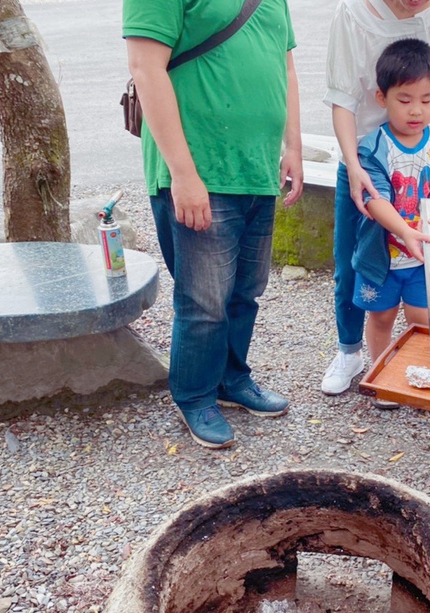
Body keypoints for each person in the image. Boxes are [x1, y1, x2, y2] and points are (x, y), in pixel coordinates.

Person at [124, 0, 304, 449]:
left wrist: (294, 147)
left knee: (246, 291)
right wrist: (184, 175)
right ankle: (194, 394)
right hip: (200, 168)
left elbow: (285, 65)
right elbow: (146, 69)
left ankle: (231, 380)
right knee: (205, 300)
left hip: (255, 168)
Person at [320, 0, 430, 396]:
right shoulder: (352, 13)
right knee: (353, 262)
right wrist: (353, 164)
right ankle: (351, 353)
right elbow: (342, 98)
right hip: (367, 159)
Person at [353, 39, 430, 400]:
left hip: (424, 258)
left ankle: (420, 381)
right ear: (382, 97)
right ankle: (381, 373)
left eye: (426, 100)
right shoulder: (374, 146)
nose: (416, 110)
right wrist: (405, 230)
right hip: (383, 257)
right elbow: (374, 200)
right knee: (382, 317)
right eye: (404, 100)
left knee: (421, 319)